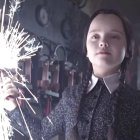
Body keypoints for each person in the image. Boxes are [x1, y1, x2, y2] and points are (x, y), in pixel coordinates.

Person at [2, 9, 140, 140]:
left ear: (128, 49)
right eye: (95, 36)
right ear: (86, 49)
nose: (103, 42)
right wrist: (13, 107)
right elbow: (42, 132)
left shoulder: (136, 102)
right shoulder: (71, 96)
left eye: (114, 36)